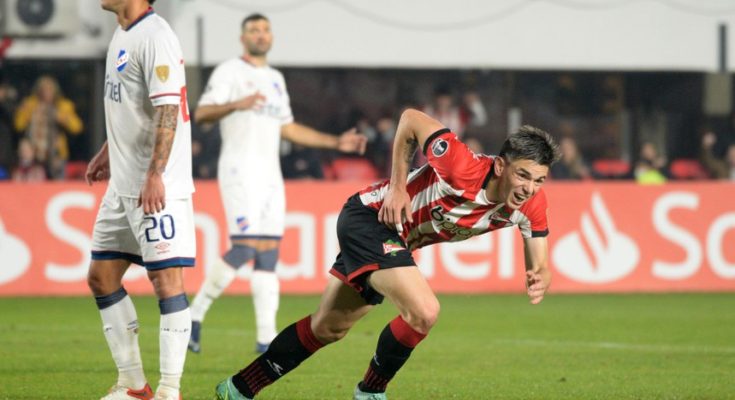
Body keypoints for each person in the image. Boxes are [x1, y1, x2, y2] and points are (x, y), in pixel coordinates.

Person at [213, 108, 560, 400]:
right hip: (370, 217)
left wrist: (540, 275)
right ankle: (370, 392)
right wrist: (397, 188)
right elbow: (410, 119)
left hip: (395, 240)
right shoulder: (462, 167)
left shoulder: (530, 204)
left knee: (328, 328)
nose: (528, 188)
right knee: (424, 312)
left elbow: (539, 259)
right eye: (523, 175)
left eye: (538, 180)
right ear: (501, 167)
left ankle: (237, 389)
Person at [187, 13, 366, 355]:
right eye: (253, 30)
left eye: (265, 29)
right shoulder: (230, 72)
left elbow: (288, 128)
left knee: (268, 252)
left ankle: (266, 338)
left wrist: (335, 143)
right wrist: (236, 104)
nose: (261, 35)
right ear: (243, 38)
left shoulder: (275, 79)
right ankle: (193, 316)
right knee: (245, 247)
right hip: (239, 170)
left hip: (270, 176)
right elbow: (203, 112)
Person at [85, 1, 195, 399]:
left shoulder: (156, 37)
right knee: (101, 277)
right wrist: (107, 152)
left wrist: (155, 174)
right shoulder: (122, 33)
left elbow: (168, 109)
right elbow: (132, 110)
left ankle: (169, 389)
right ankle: (134, 385)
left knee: (166, 282)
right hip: (123, 185)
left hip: (156, 187)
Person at [13, 74, 84, 179]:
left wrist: (62, 118)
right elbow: (18, 125)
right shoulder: (30, 105)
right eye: (43, 90)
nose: (46, 93)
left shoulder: (63, 106)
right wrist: (26, 114)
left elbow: (77, 127)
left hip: (56, 154)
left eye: (49, 90)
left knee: (57, 183)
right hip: (35, 155)